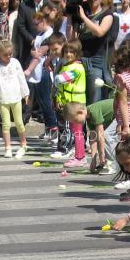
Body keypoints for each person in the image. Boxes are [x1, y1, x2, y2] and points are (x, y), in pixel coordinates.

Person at [0, 38, 29, 159]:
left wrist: (25, 93)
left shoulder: (15, 63)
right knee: (6, 123)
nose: (8, 56)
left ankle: (23, 144)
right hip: (3, 97)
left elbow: (21, 78)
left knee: (19, 122)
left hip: (16, 96)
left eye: (10, 54)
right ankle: (7, 147)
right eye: (5, 55)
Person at [24, 12, 58, 149]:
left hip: (45, 69)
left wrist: (35, 53)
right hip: (37, 70)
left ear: (44, 21)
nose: (35, 26)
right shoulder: (39, 35)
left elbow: (41, 52)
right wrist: (34, 52)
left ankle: (54, 128)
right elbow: (34, 51)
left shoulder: (50, 35)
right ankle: (49, 127)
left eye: (37, 24)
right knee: (42, 101)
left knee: (47, 100)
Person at [76, 0, 115, 103]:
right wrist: (72, 18)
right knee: (81, 96)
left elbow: (100, 32)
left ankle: (95, 121)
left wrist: (84, 18)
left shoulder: (107, 15)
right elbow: (73, 39)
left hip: (96, 61)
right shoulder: (83, 14)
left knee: (95, 99)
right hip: (81, 59)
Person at [54, 39, 87, 168]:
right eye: (66, 51)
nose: (68, 54)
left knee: (77, 131)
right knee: (75, 130)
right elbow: (62, 87)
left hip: (77, 103)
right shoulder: (66, 66)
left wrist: (57, 78)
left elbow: (62, 79)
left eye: (72, 52)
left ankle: (80, 157)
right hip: (69, 103)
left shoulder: (78, 67)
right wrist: (59, 99)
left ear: (77, 53)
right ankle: (79, 155)